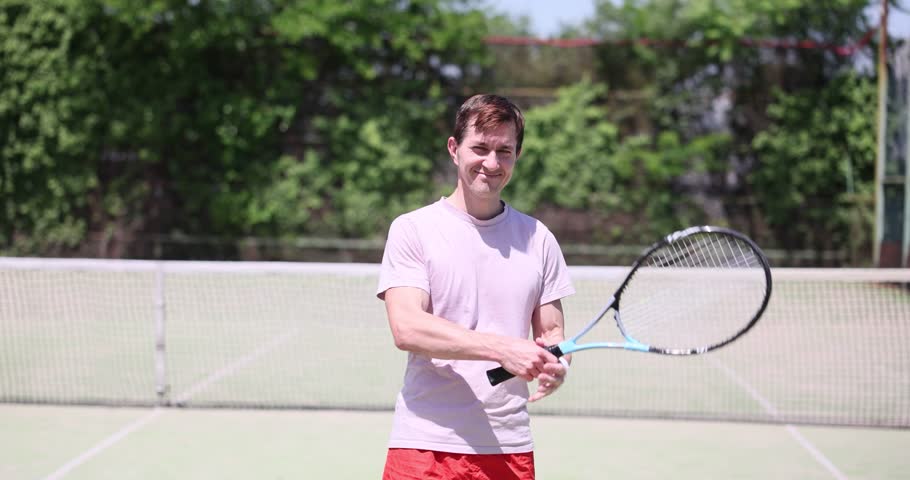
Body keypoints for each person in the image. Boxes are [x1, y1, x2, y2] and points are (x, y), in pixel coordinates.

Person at [376, 94, 575, 480]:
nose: (492, 162)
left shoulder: (539, 238)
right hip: (424, 444)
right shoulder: (413, 229)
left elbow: (552, 334)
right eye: (480, 148)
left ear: (517, 155)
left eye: (505, 151)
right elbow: (407, 328)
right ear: (454, 149)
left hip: (509, 449)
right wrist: (503, 348)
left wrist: (557, 364)